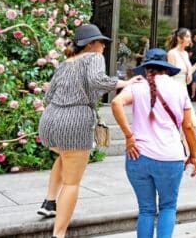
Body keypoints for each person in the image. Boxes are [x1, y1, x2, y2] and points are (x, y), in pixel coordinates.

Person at [37, 24, 143, 238]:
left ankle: (49, 201)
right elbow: (96, 81)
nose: (103, 45)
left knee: (65, 156)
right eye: (100, 41)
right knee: (72, 182)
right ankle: (58, 234)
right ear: (91, 44)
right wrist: (126, 82)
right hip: (75, 122)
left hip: (49, 122)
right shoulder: (94, 57)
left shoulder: (66, 63)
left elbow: (47, 97)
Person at [111, 48, 196, 238]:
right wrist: (193, 155)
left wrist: (129, 136)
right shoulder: (178, 88)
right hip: (170, 158)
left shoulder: (136, 85)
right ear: (166, 68)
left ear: (146, 68)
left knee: (146, 210)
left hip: (138, 156)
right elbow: (189, 126)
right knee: (168, 207)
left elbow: (116, 103)